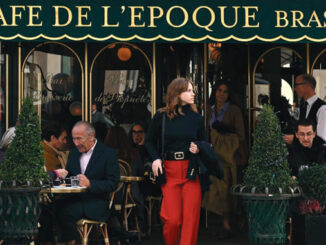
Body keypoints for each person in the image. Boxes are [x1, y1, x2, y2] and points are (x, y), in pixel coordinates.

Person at [145, 77, 206, 245]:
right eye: (189, 90)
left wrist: (199, 147)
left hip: (190, 170)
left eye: (193, 90)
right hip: (169, 170)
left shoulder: (196, 118)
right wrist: (156, 158)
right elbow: (149, 141)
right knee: (172, 220)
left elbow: (205, 143)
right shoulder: (161, 116)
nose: (193, 94)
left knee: (190, 220)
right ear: (177, 93)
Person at [57, 121, 120, 245]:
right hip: (75, 199)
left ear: (91, 136)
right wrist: (62, 179)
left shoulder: (108, 153)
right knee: (51, 208)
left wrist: (90, 184)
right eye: (74, 139)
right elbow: (70, 177)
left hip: (97, 201)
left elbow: (113, 183)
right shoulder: (74, 153)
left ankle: (72, 242)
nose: (76, 143)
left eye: (79, 139)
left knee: (65, 211)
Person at [202, 81, 247, 239]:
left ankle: (229, 224)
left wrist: (225, 133)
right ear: (214, 92)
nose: (221, 94)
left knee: (228, 191)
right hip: (213, 157)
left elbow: (241, 135)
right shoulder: (209, 110)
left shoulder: (234, 110)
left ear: (229, 94)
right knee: (215, 192)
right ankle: (220, 224)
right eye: (219, 90)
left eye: (225, 91)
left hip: (229, 158)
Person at [104, 125, 147, 237]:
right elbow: (141, 173)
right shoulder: (133, 154)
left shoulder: (103, 155)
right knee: (140, 192)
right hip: (129, 196)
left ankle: (107, 230)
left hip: (109, 197)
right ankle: (139, 229)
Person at [283, 74, 326, 144]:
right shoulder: (303, 106)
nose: (295, 89)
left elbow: (322, 140)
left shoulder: (322, 108)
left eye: (296, 85)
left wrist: (294, 140)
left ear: (306, 86)